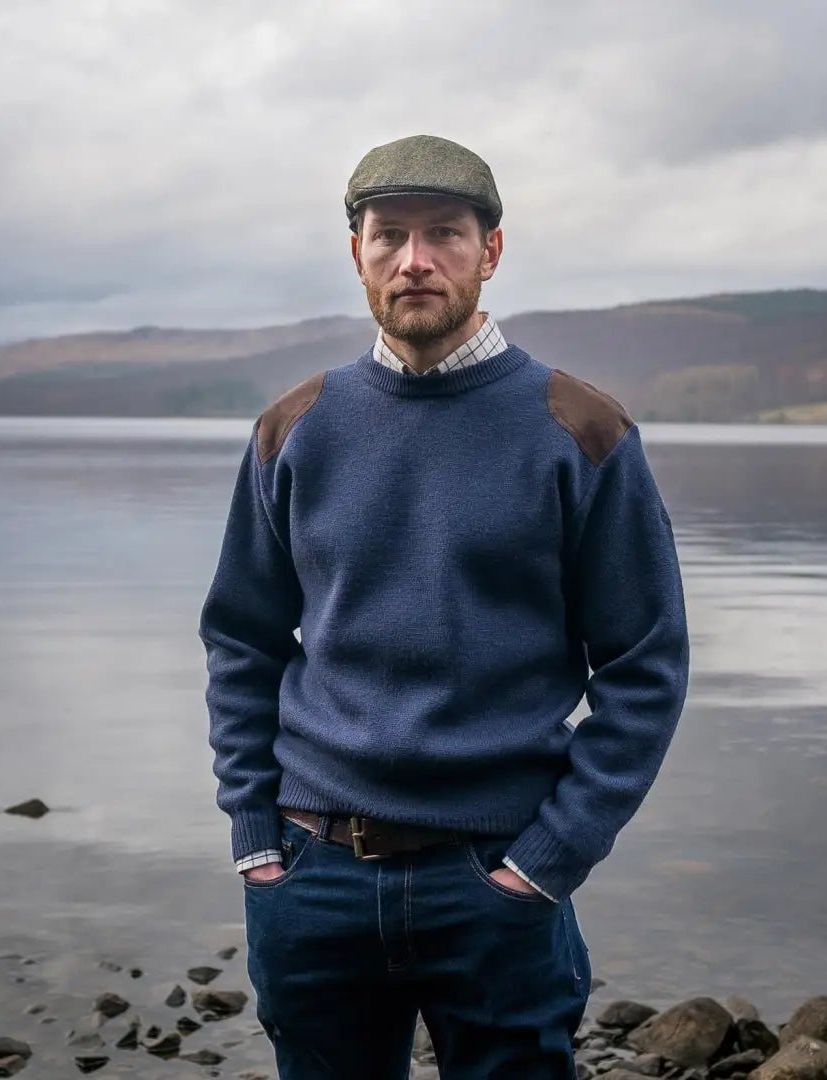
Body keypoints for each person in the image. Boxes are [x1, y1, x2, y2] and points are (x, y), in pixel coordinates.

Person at [199, 133, 689, 1080]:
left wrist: (553, 854)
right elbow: (242, 640)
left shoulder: (579, 429)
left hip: (497, 877)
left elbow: (646, 664)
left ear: (490, 251)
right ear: (358, 253)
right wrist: (255, 835)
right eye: (388, 237)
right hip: (313, 874)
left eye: (444, 235)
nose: (413, 261)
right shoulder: (295, 428)